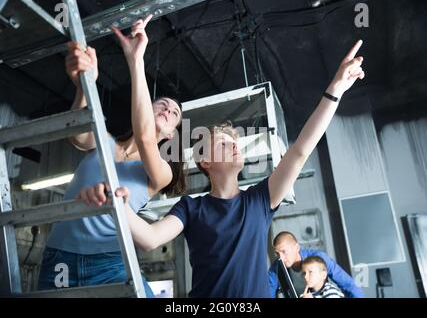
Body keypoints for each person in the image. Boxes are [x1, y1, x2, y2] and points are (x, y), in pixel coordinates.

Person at [77, 40, 365, 297]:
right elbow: (150, 239)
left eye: (234, 142)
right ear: (205, 161)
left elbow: (301, 150)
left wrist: (335, 89)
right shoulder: (191, 208)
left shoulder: (260, 199)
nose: (234, 145)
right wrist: (118, 204)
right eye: (222, 143)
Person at [37, 15, 185, 296]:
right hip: (60, 259)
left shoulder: (161, 172)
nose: (167, 109)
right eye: (161, 104)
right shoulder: (104, 141)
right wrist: (84, 84)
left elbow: (143, 136)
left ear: (171, 135)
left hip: (109, 262)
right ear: (145, 106)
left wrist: (136, 59)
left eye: (174, 114)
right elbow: (79, 134)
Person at [268, 231, 364, 298]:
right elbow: (267, 293)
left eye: (284, 252)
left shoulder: (318, 258)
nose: (280, 257)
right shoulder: (276, 268)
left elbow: (348, 284)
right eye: (277, 253)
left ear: (296, 247)